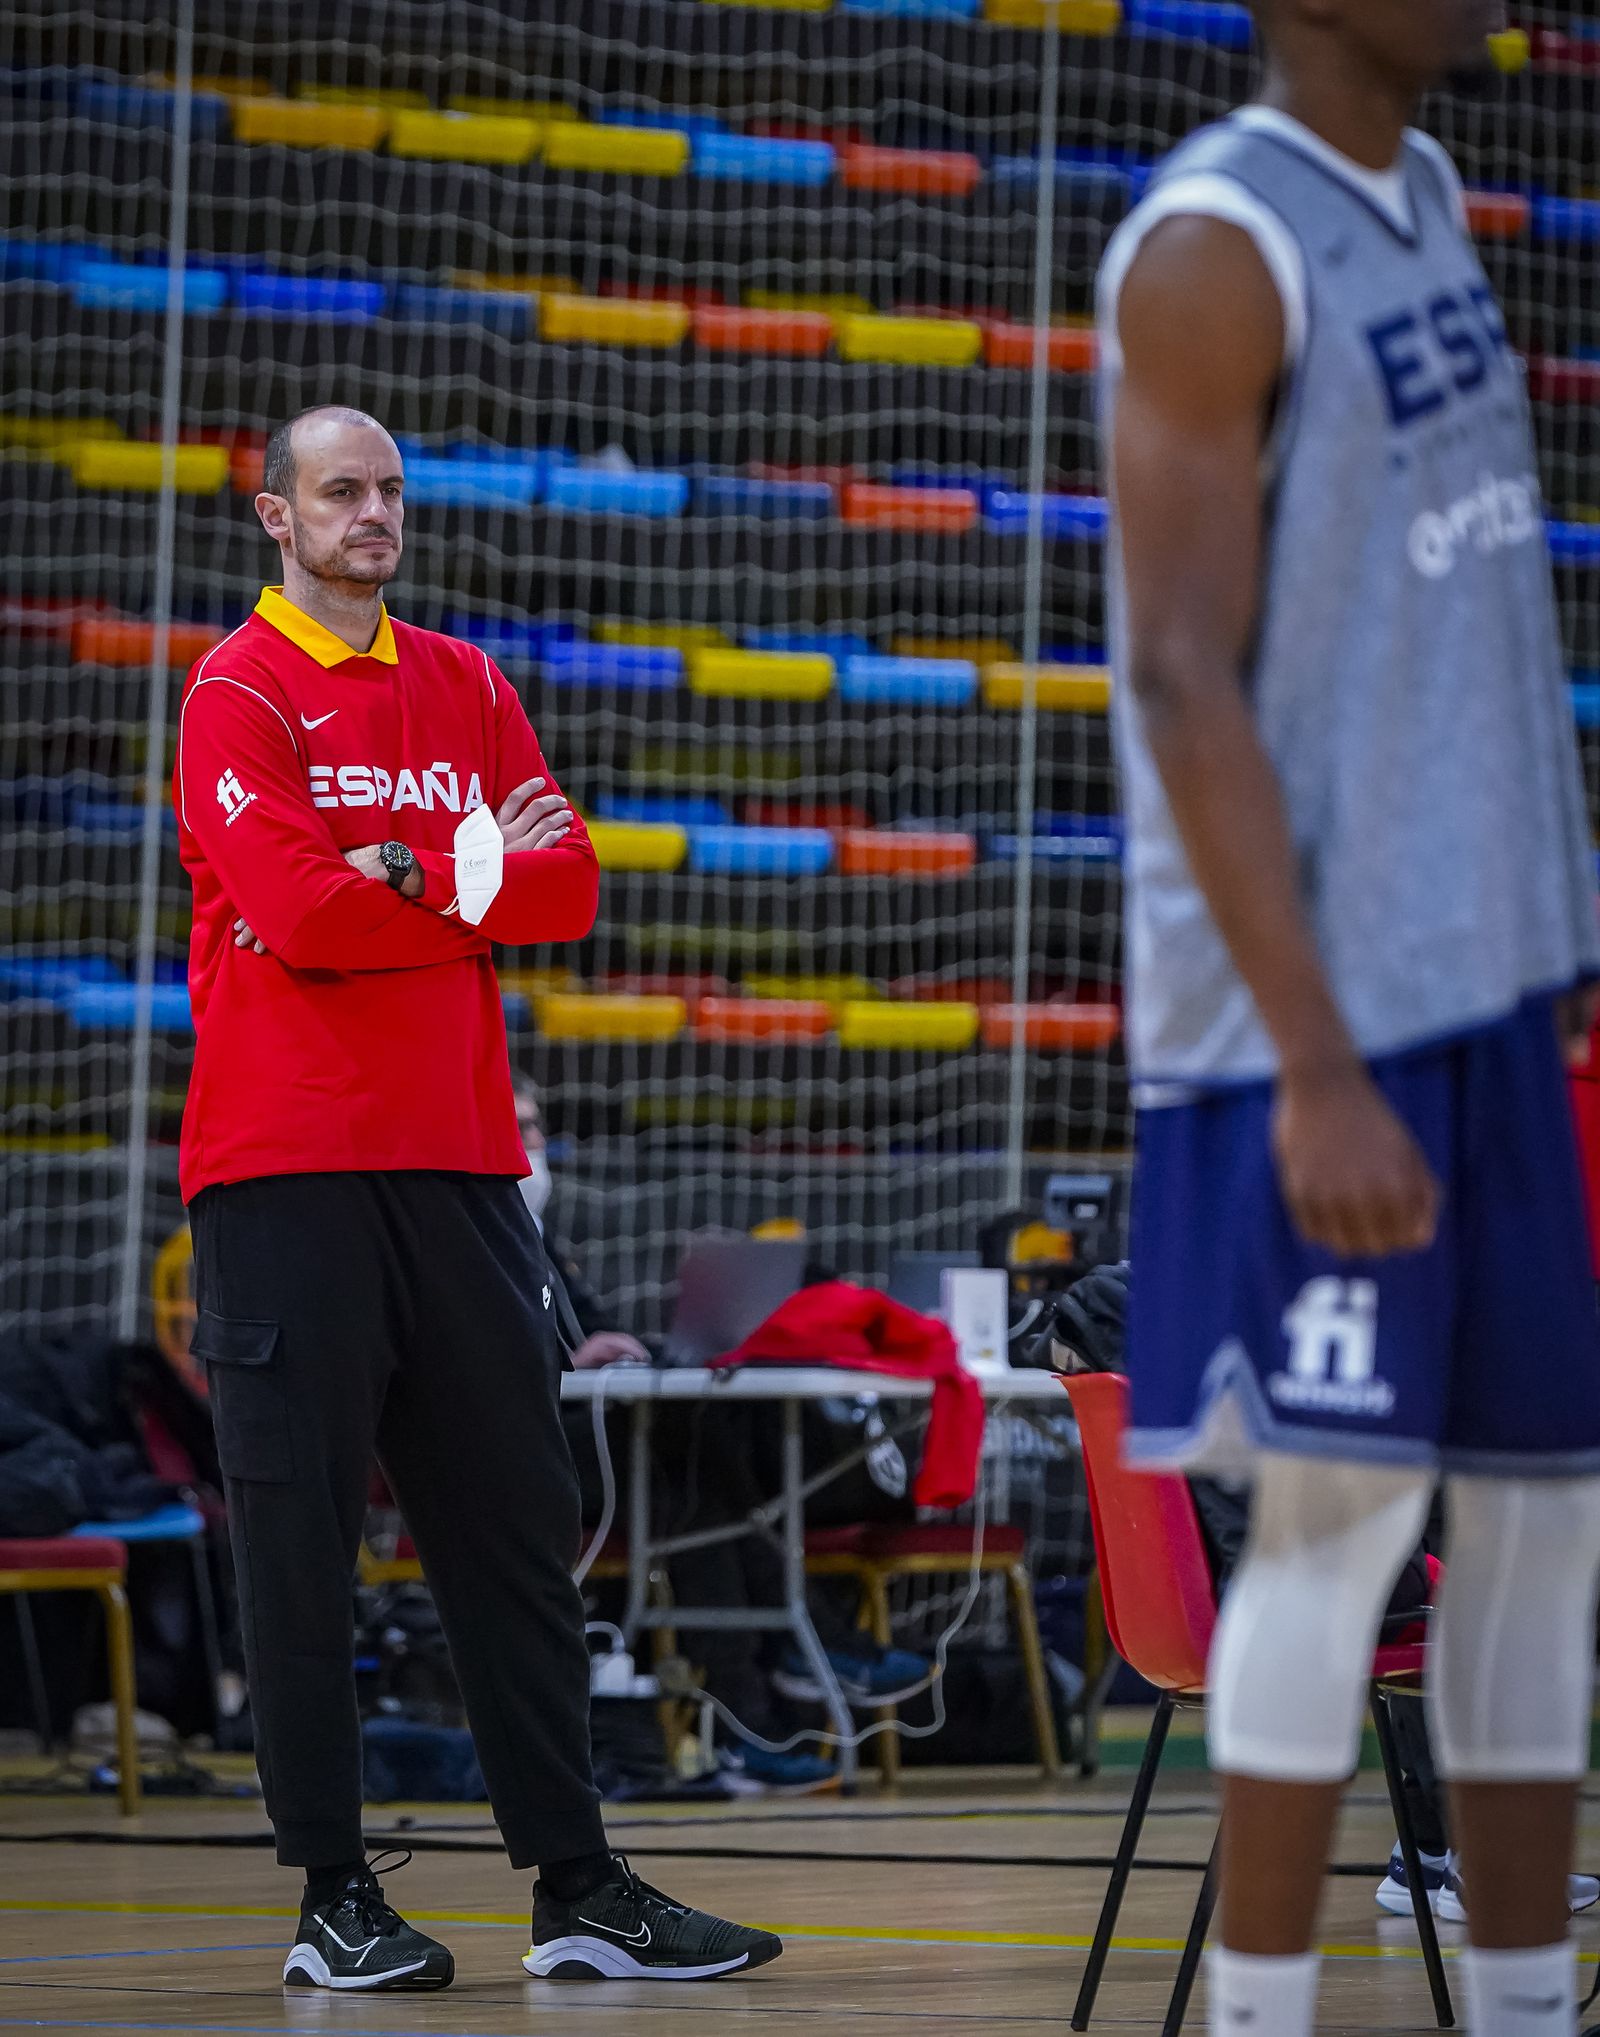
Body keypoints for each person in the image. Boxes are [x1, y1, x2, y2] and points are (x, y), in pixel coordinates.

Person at [1100, 4, 1600, 2031]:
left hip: (1474, 1007)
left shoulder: (1423, 202)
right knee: (1328, 1526)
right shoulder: (1217, 241)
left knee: (1540, 1528)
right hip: (1302, 1028)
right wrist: (1311, 1056)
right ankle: (1259, 2009)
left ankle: (1511, 1997)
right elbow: (1176, 674)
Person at [173, 403, 780, 1989]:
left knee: (518, 1531)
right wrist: (467, 866)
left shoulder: (469, 680)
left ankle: (577, 1885)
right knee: (299, 1548)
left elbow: (569, 884)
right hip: (282, 1168)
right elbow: (299, 914)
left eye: (388, 490)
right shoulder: (234, 691)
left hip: (460, 1166)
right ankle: (332, 1900)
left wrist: (404, 867)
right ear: (276, 520)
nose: (372, 513)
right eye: (339, 492)